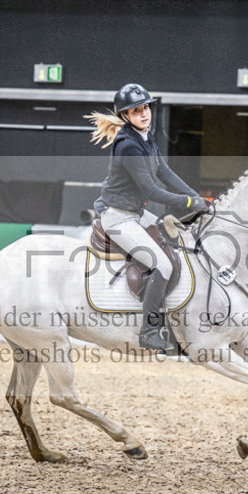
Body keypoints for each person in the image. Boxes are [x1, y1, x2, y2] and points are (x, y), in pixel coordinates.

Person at [86, 83, 208, 353]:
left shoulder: (145, 136)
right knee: (163, 266)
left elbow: (164, 172)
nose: (143, 114)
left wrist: (197, 198)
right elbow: (151, 190)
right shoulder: (128, 145)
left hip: (136, 214)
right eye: (135, 111)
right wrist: (189, 202)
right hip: (118, 219)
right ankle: (149, 331)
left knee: (179, 244)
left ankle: (176, 322)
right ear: (125, 116)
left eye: (145, 108)